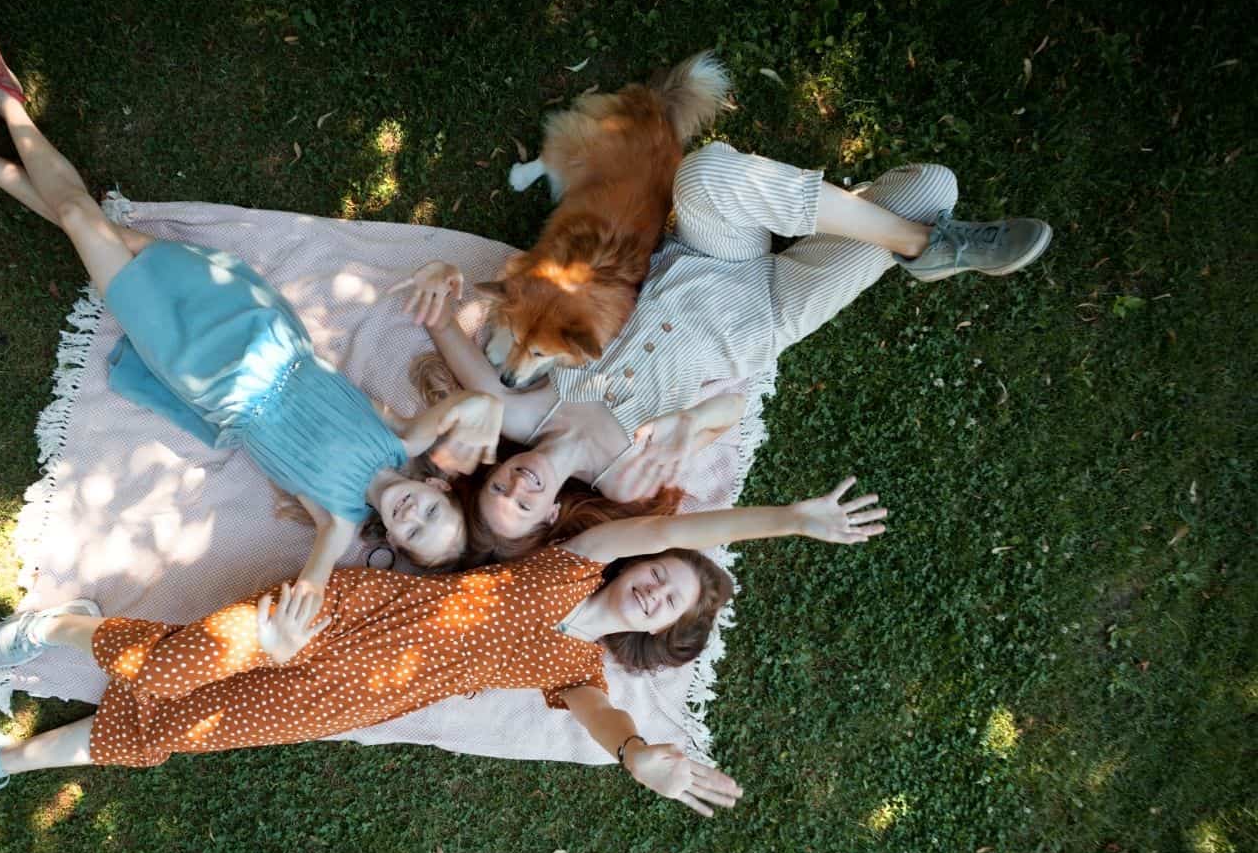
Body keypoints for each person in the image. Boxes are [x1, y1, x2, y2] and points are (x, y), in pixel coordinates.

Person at [0, 0, 505, 630]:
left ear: (389, 540)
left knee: (79, 219)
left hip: (200, 363)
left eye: (413, 534)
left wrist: (303, 616)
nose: (414, 516)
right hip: (256, 321)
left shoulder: (335, 519)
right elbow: (476, 409)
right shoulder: (406, 441)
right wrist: (487, 418)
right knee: (84, 221)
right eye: (433, 513)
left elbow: (312, 586)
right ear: (441, 487)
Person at [0, 477, 887, 840]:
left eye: (670, 605)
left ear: (648, 634)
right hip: (335, 620)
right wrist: (788, 522)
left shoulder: (577, 672)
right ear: (641, 556)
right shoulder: (561, 572)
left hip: (347, 703)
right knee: (166, 667)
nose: (659, 588)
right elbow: (699, 521)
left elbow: (606, 724)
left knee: (182, 728)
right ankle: (65, 629)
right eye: (668, 571)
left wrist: (639, 758)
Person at [401, 139, 1051, 552]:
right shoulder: (623, 478)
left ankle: (917, 245)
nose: (518, 489)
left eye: (499, 492)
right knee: (933, 188)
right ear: (546, 518)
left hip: (703, 256)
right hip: (764, 318)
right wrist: (689, 422)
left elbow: (449, 335)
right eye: (524, 508)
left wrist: (437, 283)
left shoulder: (523, 413)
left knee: (706, 173)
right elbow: (730, 414)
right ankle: (914, 236)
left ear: (495, 473)